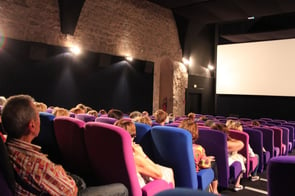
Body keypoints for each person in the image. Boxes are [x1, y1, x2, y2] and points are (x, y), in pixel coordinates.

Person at [2, 94, 128, 196]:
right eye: (38, 116)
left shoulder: (7, 148)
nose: (40, 119)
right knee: (122, 189)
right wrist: (59, 170)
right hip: (69, 192)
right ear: (32, 125)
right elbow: (70, 191)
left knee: (80, 180)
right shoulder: (36, 164)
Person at [114, 119, 175, 188]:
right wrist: (141, 154)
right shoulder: (133, 157)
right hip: (144, 189)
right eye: (133, 136)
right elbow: (158, 174)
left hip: (125, 187)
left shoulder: (111, 152)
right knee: (169, 171)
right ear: (130, 137)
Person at [179, 119, 220, 195]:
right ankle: (215, 190)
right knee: (213, 163)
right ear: (195, 133)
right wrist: (207, 159)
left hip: (178, 178)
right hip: (194, 178)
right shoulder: (199, 149)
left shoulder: (175, 146)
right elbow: (204, 165)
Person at [210, 123, 245, 191]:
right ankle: (237, 184)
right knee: (240, 158)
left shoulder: (207, 139)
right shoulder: (225, 144)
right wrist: (229, 139)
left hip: (212, 163)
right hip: (223, 165)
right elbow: (241, 144)